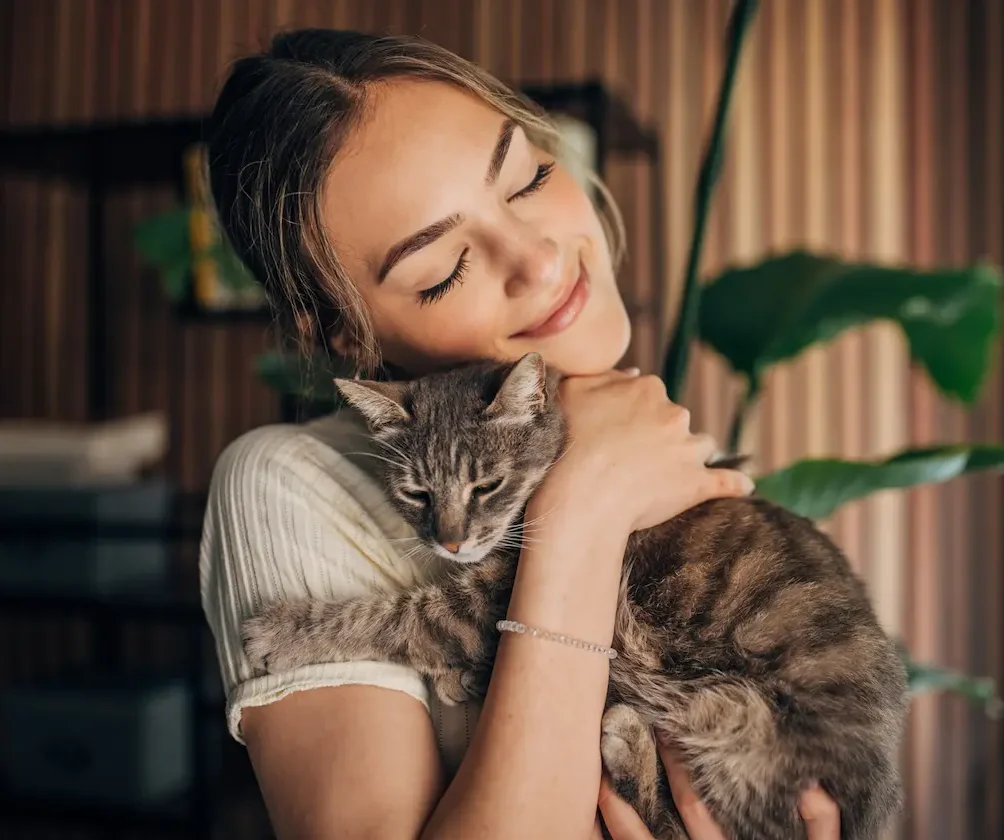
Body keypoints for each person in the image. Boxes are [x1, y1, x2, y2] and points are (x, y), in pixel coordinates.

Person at [199, 28, 842, 840]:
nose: (539, 261)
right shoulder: (289, 481)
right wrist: (582, 518)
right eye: (442, 270)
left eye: (528, 177)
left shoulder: (655, 447)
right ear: (342, 332)